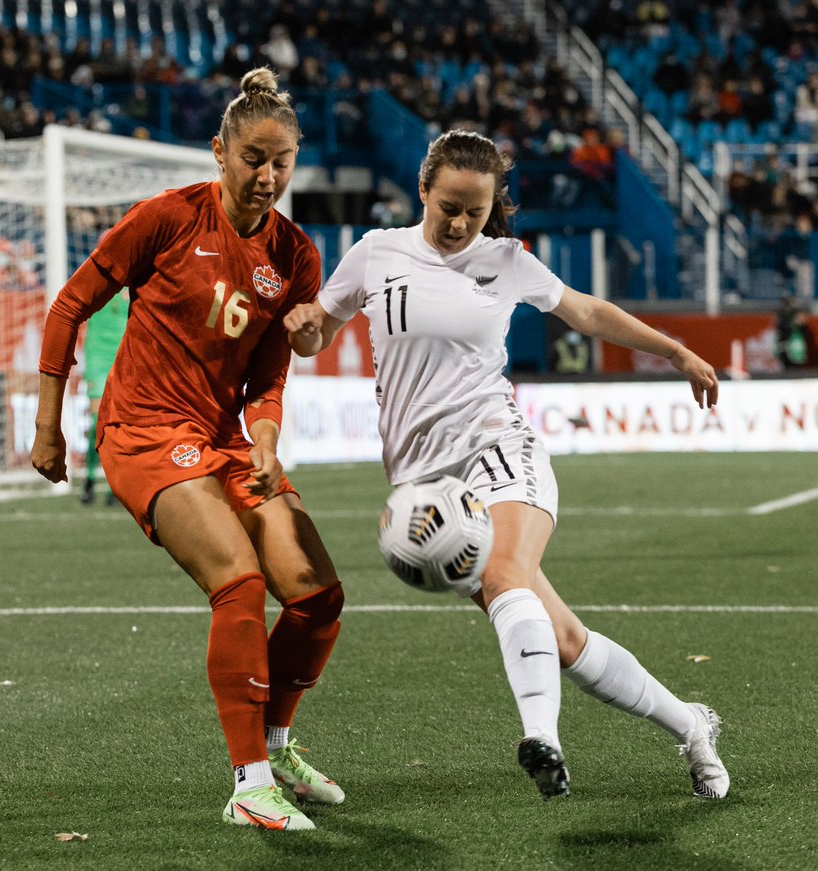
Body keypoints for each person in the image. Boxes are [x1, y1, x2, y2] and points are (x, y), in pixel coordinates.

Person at [285, 129, 730, 802]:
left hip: (498, 446)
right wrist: (305, 328)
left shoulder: (507, 260)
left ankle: (542, 737)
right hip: (424, 486)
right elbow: (321, 325)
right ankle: (690, 724)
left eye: (477, 210)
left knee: (504, 571)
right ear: (423, 190)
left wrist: (673, 351)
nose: (463, 223)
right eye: (450, 207)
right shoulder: (376, 254)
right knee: (564, 638)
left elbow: (585, 311)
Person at [32, 68, 345, 831]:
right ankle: (249, 784)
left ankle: (276, 744)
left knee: (317, 596)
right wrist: (48, 426)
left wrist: (265, 438)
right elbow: (71, 304)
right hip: (141, 435)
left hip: (222, 439)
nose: (267, 176)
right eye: (253, 159)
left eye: (282, 163)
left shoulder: (296, 257)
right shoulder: (167, 219)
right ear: (219, 151)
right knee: (238, 582)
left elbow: (270, 371)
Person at [79, 283, 128, 505]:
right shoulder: (96, 283)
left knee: (117, 425)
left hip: (121, 356)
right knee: (97, 422)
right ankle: (89, 477)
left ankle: (113, 486)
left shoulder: (138, 284)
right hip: (97, 356)